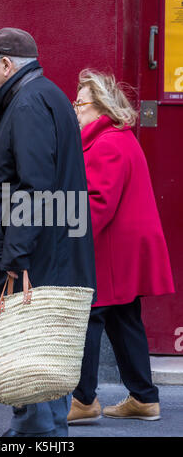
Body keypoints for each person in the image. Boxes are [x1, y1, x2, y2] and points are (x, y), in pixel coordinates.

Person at [0, 28, 97, 437]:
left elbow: (34, 187)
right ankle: (36, 431)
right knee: (43, 348)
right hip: (52, 246)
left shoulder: (26, 103)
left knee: (28, 347)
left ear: (7, 64)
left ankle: (34, 436)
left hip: (37, 251)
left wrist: (15, 256)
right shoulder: (46, 95)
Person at [67, 69, 175, 424]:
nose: (75, 108)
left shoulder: (107, 142)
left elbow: (99, 202)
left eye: (80, 102)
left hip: (112, 249)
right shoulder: (117, 137)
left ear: (99, 107)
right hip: (122, 248)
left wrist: (70, 240)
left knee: (90, 315)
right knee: (123, 318)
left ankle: (83, 401)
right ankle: (144, 398)